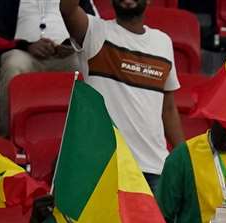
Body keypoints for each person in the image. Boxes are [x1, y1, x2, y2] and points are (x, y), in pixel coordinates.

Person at [60, 0, 180, 181]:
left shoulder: (163, 42)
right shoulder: (94, 32)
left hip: (154, 168)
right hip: (105, 167)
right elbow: (67, 10)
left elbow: (169, 109)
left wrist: (184, 157)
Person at [0, 0, 80, 136]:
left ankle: (85, 137)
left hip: (66, 56)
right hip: (25, 54)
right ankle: (7, 136)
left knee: (84, 65)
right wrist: (27, 46)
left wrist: (72, 44)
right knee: (12, 63)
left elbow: (92, 30)